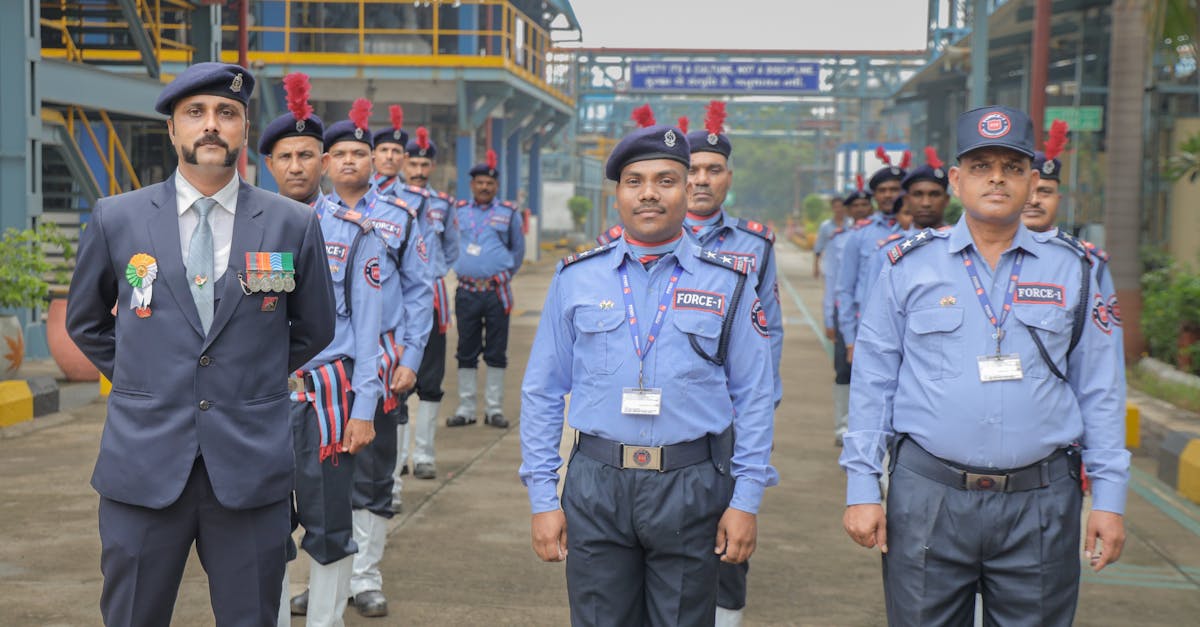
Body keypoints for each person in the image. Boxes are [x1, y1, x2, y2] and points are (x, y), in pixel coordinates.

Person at [66, 62, 337, 626]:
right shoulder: (118, 218)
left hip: (248, 467)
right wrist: (147, 375)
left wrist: (249, 375)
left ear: (242, 129)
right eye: (196, 113)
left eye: (226, 114)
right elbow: (86, 321)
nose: (211, 125)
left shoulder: (290, 224)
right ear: (173, 130)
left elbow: (315, 327)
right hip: (143, 465)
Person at [840, 105, 1129, 626]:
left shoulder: (1078, 269)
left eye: (1012, 167)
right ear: (956, 179)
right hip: (927, 498)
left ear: (1032, 181)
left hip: (1040, 503)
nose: (997, 178)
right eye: (980, 166)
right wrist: (862, 486)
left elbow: (1102, 390)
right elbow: (873, 382)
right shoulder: (906, 265)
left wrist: (1109, 499)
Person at [519, 120, 777, 627]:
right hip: (596, 483)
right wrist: (542, 499)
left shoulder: (729, 281)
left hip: (690, 484)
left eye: (665, 180)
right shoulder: (577, 278)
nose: (650, 194)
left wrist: (746, 500)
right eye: (635, 182)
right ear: (616, 194)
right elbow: (542, 392)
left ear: (687, 188)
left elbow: (755, 397)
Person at [282, 99, 387, 627]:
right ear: (270, 163)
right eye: (285, 156)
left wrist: (363, 408)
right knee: (265, 525)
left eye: (306, 154)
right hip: (260, 401)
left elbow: (368, 333)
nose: (296, 166)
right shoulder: (247, 228)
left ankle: (325, 620)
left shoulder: (354, 232)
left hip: (327, 399)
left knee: (328, 526)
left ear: (321, 163)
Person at [682, 100, 781, 627]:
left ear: (728, 177)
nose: (702, 180)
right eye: (692, 169)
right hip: (674, 415)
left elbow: (773, 332)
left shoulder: (756, 246)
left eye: (713, 170)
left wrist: (762, 404)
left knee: (728, 539)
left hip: (732, 419)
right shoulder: (653, 240)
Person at [337, 105, 434, 618]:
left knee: (373, 478)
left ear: (373, 162)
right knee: (321, 480)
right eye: (344, 153)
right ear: (329, 162)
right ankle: (330, 578)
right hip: (322, 374)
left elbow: (421, 292)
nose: (352, 161)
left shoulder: (401, 217)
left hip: (382, 365)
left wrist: (412, 357)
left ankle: (365, 578)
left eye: (361, 153)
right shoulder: (305, 217)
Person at [394, 127, 459, 486]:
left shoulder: (444, 205)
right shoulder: (389, 201)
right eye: (412, 162)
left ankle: (424, 454)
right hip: (399, 303)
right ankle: (400, 457)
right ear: (404, 162)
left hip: (433, 299)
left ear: (432, 166)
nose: (418, 169)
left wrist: (432, 272)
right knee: (399, 381)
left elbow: (452, 247)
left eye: (424, 163)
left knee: (431, 380)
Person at [1024, 120, 1123, 346]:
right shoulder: (987, 253)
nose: (1034, 200)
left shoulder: (1088, 262)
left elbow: (1109, 342)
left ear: (1058, 199)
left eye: (1045, 192)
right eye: (1029, 192)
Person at [447, 149, 525, 428]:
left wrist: (503, 274)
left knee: (496, 351)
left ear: (496, 186)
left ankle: (494, 409)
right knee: (465, 350)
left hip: (496, 292)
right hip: (466, 291)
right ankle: (466, 408)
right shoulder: (458, 211)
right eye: (479, 182)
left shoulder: (508, 212)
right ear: (472, 185)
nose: (484, 187)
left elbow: (518, 249)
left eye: (489, 183)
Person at [835, 147, 909, 364]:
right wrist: (850, 340)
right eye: (882, 190)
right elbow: (845, 289)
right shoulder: (859, 235)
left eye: (895, 189)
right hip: (870, 332)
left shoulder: (921, 232)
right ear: (874, 195)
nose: (888, 195)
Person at [827, 179, 874, 446]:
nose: (860, 209)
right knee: (844, 370)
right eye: (854, 205)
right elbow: (834, 281)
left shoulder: (883, 236)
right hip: (845, 312)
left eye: (864, 204)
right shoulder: (840, 238)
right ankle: (843, 426)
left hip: (872, 315)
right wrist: (828, 316)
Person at [370, 105, 408, 192]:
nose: (389, 156)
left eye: (396, 151)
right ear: (373, 155)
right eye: (384, 150)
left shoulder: (416, 198)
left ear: (405, 158)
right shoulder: (358, 192)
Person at [814, 197, 849, 278]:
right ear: (832, 208)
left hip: (847, 269)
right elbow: (818, 247)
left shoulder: (852, 224)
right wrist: (816, 266)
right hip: (830, 269)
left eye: (841, 206)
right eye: (836, 207)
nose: (839, 209)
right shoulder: (825, 226)